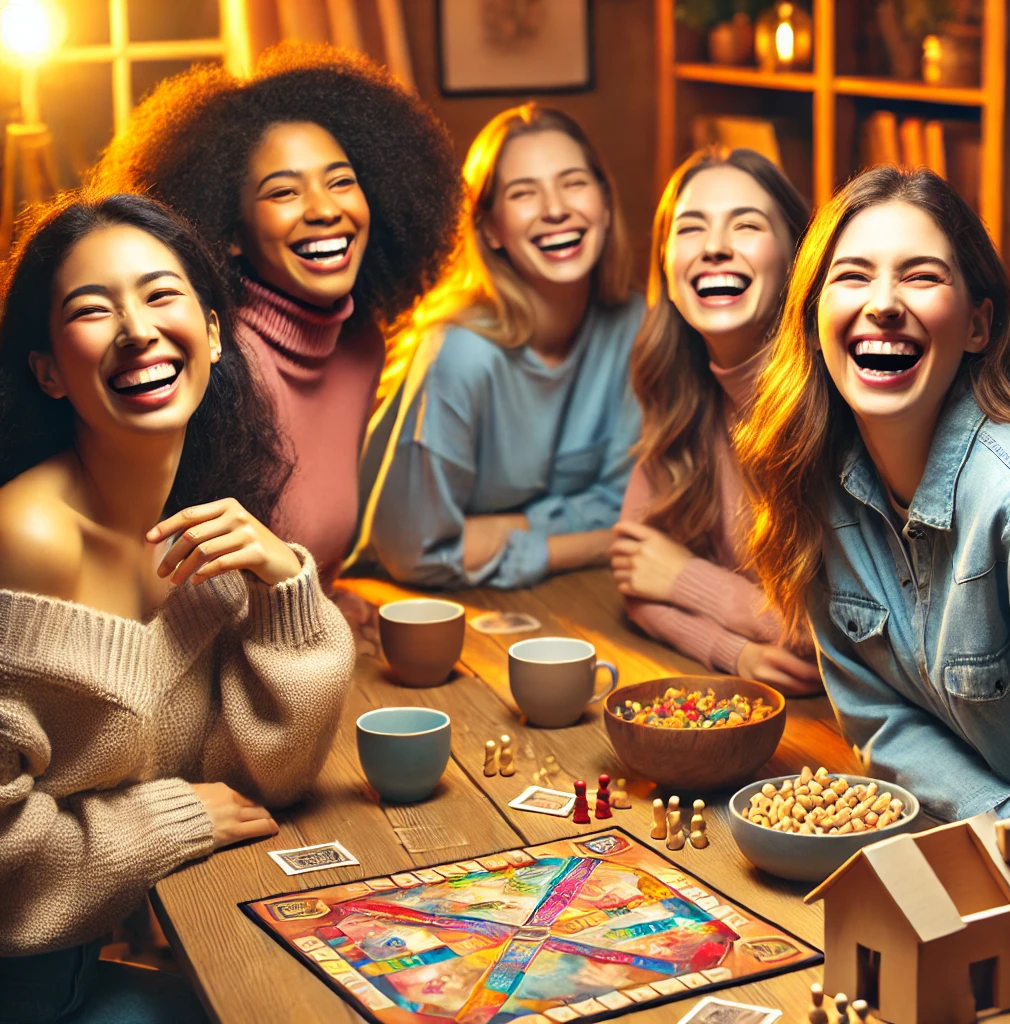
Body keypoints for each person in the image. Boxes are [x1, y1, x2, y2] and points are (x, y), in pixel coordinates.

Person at [0, 193, 354, 1022]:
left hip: (121, 943)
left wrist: (283, 591)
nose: (137, 329)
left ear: (214, 331)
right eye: (93, 310)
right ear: (48, 369)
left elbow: (267, 777)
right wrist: (167, 818)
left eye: (160, 295)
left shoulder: (200, 520)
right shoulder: (26, 538)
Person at [90, 43, 462, 585]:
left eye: (340, 181)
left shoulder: (360, 348)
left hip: (312, 644)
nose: (324, 209)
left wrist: (327, 601)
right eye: (283, 191)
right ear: (232, 233)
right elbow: (167, 571)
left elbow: (308, 546)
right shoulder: (213, 361)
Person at [736, 165, 1010, 823]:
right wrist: (1002, 823)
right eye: (854, 275)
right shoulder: (810, 484)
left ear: (978, 326)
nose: (884, 302)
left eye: (921, 276)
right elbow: (882, 722)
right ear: (812, 321)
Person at [361, 104, 644, 589]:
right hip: (410, 602)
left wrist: (507, 530)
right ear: (490, 228)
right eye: (523, 193)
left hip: (570, 592)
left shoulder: (636, 326)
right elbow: (416, 550)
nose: (556, 209)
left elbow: (629, 504)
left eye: (574, 182)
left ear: (606, 203)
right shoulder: (458, 355)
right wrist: (584, 543)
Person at [610, 148, 820, 694]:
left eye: (746, 225)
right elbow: (635, 574)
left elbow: (849, 637)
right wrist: (734, 652)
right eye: (690, 229)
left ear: (798, 257)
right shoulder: (682, 393)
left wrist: (688, 579)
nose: (715, 247)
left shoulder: (833, 402)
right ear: (666, 268)